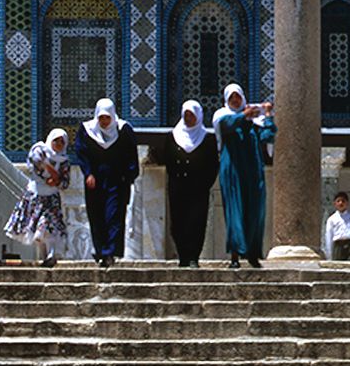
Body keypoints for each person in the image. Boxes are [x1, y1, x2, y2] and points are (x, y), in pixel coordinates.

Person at [211, 82, 275, 268]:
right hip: (232, 171)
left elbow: (268, 136)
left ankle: (254, 254)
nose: (235, 100)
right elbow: (228, 125)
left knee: (256, 212)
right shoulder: (223, 116)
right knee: (235, 211)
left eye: (238, 97)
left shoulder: (254, 123)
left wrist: (268, 115)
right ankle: (235, 256)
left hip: (253, 171)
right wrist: (243, 115)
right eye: (232, 98)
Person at [73, 97, 139, 267]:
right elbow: (81, 153)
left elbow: (131, 154)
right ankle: (101, 250)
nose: (103, 121)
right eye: (101, 117)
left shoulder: (123, 130)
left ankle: (110, 252)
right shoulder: (87, 131)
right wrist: (88, 173)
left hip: (117, 181)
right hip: (94, 181)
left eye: (107, 118)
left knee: (114, 215)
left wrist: (129, 176)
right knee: (96, 216)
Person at [155, 98, 220, 268]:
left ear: (198, 116)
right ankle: (183, 255)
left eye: (192, 115)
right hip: (178, 186)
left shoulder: (207, 139)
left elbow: (213, 164)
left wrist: (205, 183)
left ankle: (193, 257)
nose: (189, 118)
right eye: (186, 115)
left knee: (196, 222)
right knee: (178, 223)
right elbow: (168, 159)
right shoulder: (173, 137)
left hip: (198, 188)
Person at [4, 127, 71, 266]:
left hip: (51, 197)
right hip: (35, 196)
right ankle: (45, 256)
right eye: (56, 140)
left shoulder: (64, 160)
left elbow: (65, 182)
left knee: (48, 226)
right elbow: (36, 164)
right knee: (38, 231)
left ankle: (51, 254)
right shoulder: (39, 149)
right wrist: (52, 174)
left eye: (62, 142)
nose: (58, 144)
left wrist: (57, 180)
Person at [323, 191, 350, 261]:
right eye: (338, 201)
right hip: (338, 246)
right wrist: (329, 253)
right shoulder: (331, 219)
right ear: (335, 204)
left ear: (347, 203)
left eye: (343, 201)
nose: (341, 203)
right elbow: (329, 236)